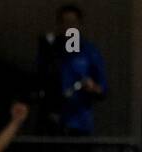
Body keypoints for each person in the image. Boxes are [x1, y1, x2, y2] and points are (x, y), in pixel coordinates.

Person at [37, 4, 108, 135]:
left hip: (80, 122)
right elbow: (39, 80)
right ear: (59, 25)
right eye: (65, 23)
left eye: (73, 23)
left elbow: (103, 89)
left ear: (80, 25)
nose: (69, 27)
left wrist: (92, 87)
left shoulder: (90, 52)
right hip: (54, 120)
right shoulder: (50, 51)